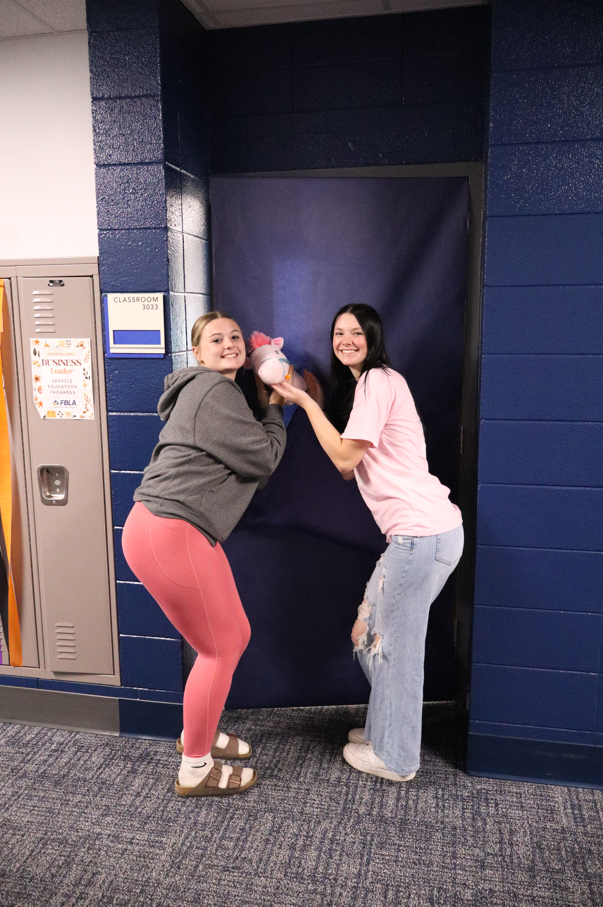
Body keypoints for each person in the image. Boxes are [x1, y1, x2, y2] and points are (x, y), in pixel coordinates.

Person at [276, 304, 463, 782]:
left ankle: (396, 757)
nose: (346, 340)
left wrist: (305, 402)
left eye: (356, 332)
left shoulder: (379, 380)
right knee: (367, 633)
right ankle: (387, 727)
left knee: (398, 648)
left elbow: (343, 461)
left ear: (373, 337)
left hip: (421, 535)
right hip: (418, 535)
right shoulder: (368, 386)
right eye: (338, 332)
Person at [122, 311, 286, 797]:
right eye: (216, 339)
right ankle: (196, 768)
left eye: (235, 336)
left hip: (170, 529)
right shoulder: (214, 391)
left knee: (231, 636)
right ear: (198, 352)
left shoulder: (212, 392)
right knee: (221, 646)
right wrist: (275, 406)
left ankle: (203, 728)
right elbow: (264, 457)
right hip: (170, 531)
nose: (230, 343)